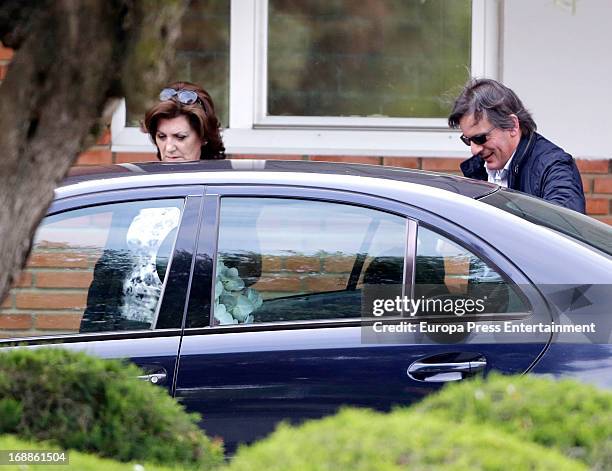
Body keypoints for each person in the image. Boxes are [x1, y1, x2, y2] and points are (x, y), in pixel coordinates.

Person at [449, 78, 585, 213]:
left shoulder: (554, 166)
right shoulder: (479, 170)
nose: (474, 150)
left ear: (512, 125)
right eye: (467, 140)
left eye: (480, 138)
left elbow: (564, 226)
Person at [142, 81, 225, 161]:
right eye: (161, 136)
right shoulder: (144, 175)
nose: (169, 148)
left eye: (180, 137)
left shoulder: (227, 175)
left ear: (204, 137)